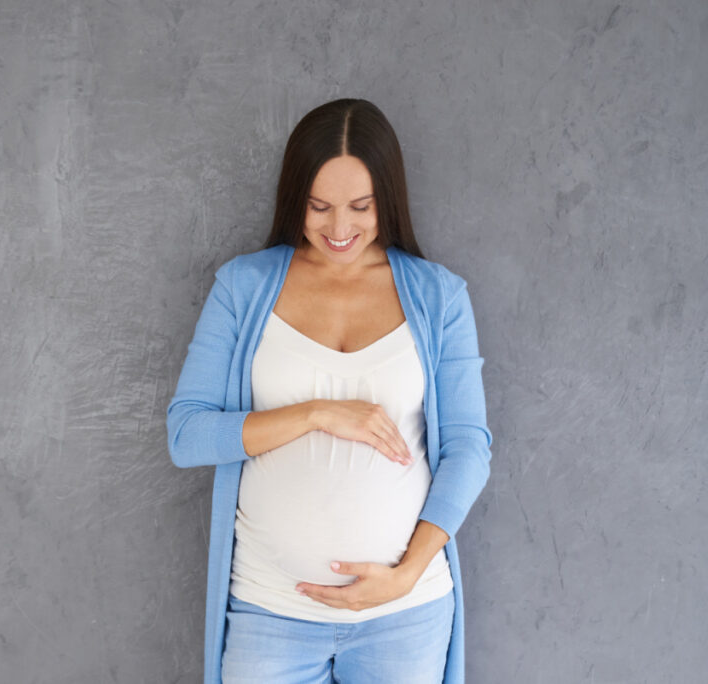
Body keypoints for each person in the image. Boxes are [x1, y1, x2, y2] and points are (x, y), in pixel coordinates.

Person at [165, 98, 492, 684]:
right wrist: (316, 413)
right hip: (271, 612)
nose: (339, 229)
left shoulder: (439, 297)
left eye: (360, 207)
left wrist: (408, 571)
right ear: (296, 198)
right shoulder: (244, 287)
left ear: (387, 199)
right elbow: (187, 435)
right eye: (319, 207)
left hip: (405, 615)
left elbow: (468, 448)